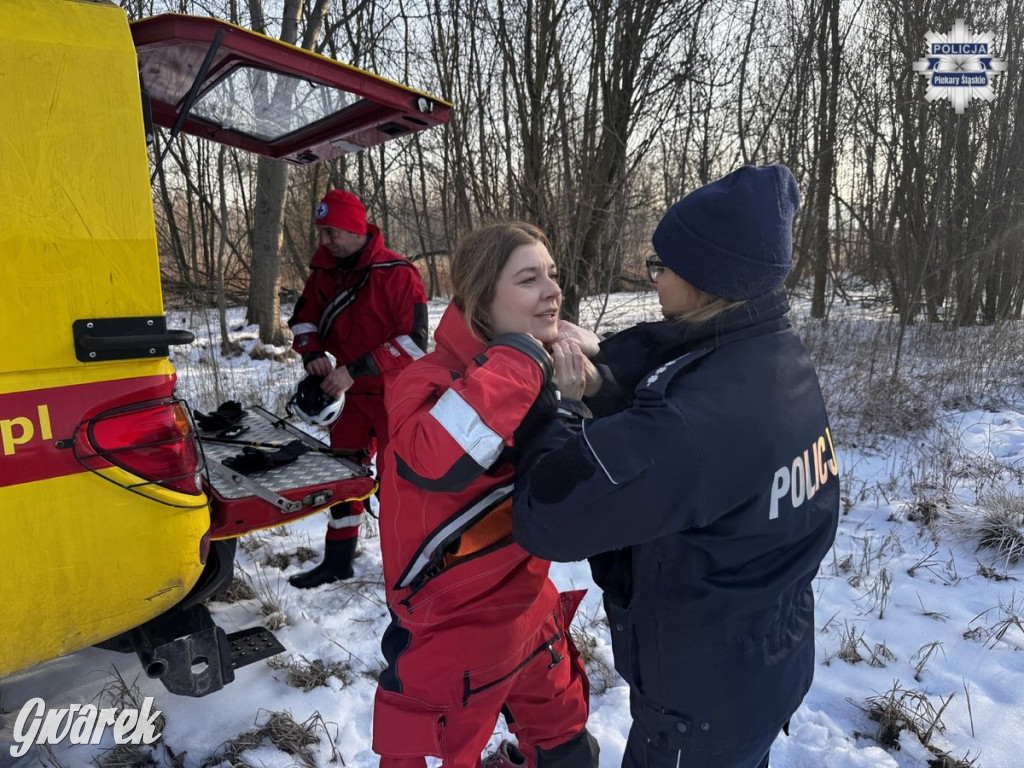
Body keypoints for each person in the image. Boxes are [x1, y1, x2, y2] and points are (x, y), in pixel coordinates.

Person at [512, 165, 841, 768]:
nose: (656, 283)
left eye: (663, 269)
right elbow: (688, 442)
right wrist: (606, 386)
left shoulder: (698, 427)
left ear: (710, 279)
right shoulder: (773, 357)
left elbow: (546, 518)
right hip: (765, 661)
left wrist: (558, 408)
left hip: (699, 709)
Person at [372, 222, 600, 768]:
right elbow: (436, 458)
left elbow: (571, 500)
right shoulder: (424, 382)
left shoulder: (542, 368)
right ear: (480, 300)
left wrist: (586, 389)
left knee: (572, 753)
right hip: (450, 632)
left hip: (531, 613)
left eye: (552, 274)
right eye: (528, 278)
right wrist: (524, 357)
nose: (552, 290)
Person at [287, 189, 428, 588]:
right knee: (342, 476)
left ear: (353, 229)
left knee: (398, 484)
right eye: (321, 232)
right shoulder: (323, 274)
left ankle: (408, 569)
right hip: (342, 396)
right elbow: (303, 320)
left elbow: (415, 342)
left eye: (331, 232)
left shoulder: (398, 273)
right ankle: (338, 561)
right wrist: (312, 352)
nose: (324, 241)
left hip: (394, 395)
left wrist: (355, 368)